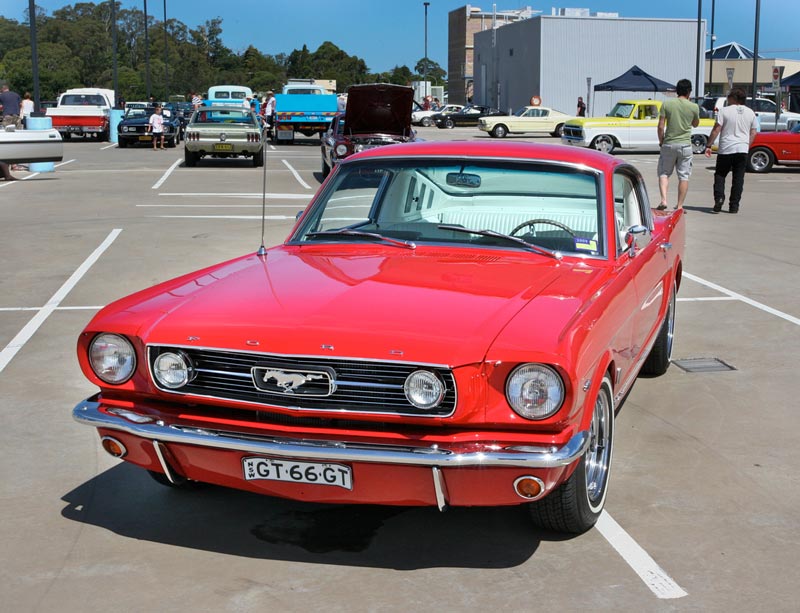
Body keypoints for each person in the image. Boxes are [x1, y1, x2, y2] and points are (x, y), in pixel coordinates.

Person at [704, 87, 758, 214]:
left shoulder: (724, 111)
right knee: (738, 178)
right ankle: (734, 206)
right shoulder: (750, 112)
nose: (727, 99)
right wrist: (747, 144)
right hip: (742, 149)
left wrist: (709, 145)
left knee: (720, 175)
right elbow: (754, 132)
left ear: (733, 98)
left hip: (726, 148)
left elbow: (717, 129)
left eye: (729, 97)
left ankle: (719, 198)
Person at [656, 78, 700, 211]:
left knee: (664, 173)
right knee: (683, 176)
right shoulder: (693, 106)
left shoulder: (667, 104)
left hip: (669, 143)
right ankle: (680, 205)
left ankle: (664, 200)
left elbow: (660, 126)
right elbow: (695, 124)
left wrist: (661, 140)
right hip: (685, 145)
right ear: (689, 92)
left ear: (677, 91)